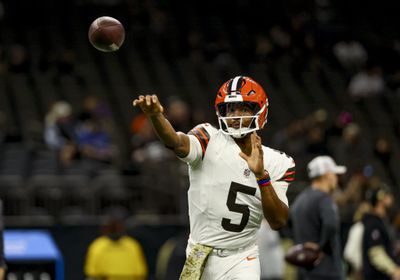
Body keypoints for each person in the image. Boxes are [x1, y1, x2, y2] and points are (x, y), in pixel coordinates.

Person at [133, 76, 295, 279]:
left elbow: (278, 221)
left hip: (242, 257)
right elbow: (176, 142)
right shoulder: (208, 138)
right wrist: (157, 117)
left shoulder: (278, 161)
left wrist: (262, 176)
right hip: (199, 253)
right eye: (230, 109)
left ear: (259, 111)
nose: (235, 115)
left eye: (243, 108)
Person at [289, 155, 346, 280]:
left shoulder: (300, 199)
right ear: (327, 174)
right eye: (335, 173)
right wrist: (320, 245)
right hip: (326, 271)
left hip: (304, 270)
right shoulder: (324, 198)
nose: (336, 178)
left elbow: (288, 225)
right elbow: (331, 224)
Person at [84, 214, 148, 280]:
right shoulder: (98, 245)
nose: (115, 229)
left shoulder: (131, 245)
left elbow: (140, 272)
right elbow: (91, 273)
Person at [361, 185, 400, 280]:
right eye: (388, 195)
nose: (391, 197)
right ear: (381, 199)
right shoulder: (372, 223)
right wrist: (394, 270)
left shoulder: (383, 221)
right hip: (378, 276)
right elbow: (376, 253)